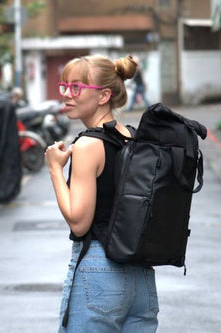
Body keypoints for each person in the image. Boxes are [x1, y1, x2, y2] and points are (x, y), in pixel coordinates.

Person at [44, 54, 159, 332]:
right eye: (65, 87)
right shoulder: (133, 137)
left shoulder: (87, 145)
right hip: (141, 277)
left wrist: (55, 170)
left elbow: (79, 222)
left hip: (100, 271)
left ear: (104, 95)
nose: (67, 95)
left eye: (77, 88)